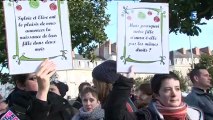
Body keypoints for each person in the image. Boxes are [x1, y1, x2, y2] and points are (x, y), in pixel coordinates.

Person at [105, 67, 204, 120]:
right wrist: (124, 83)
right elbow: (114, 116)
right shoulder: (146, 116)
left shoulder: (195, 114)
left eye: (177, 88)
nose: (174, 94)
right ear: (156, 95)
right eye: (167, 90)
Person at [5, 59, 77, 120]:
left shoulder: (62, 106)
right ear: (21, 84)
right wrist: (42, 93)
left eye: (47, 75)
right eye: (36, 78)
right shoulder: (11, 114)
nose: (44, 80)